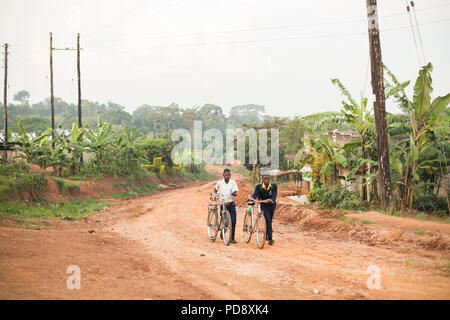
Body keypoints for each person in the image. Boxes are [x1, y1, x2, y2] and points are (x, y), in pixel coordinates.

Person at [250, 174, 277, 245]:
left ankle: (267, 235)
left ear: (269, 179)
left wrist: (272, 200)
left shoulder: (273, 186)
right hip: (263, 204)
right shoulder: (258, 187)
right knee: (267, 219)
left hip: (271, 205)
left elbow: (274, 195)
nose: (266, 180)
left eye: (267, 179)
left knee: (269, 221)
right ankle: (270, 238)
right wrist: (252, 199)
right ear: (262, 180)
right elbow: (255, 194)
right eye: (265, 179)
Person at [214, 168, 239, 244]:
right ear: (223, 175)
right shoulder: (220, 183)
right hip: (223, 204)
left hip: (231, 204)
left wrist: (234, 193)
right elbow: (215, 188)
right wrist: (216, 194)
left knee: (233, 221)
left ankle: (232, 238)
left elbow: (235, 190)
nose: (228, 176)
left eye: (229, 175)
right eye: (226, 175)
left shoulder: (233, 182)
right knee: (225, 222)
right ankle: (222, 232)